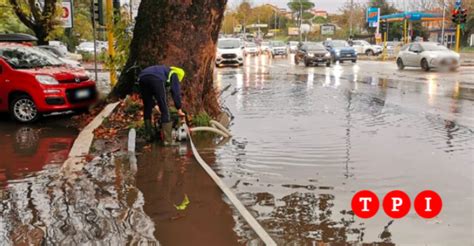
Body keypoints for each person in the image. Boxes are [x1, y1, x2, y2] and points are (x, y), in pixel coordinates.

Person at [138, 65, 185, 145]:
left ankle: (149, 136)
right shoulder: (174, 74)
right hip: (156, 78)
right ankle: (168, 141)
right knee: (164, 107)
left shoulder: (163, 70)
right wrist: (179, 109)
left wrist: (154, 105)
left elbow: (148, 98)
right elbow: (175, 92)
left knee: (147, 106)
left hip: (142, 77)